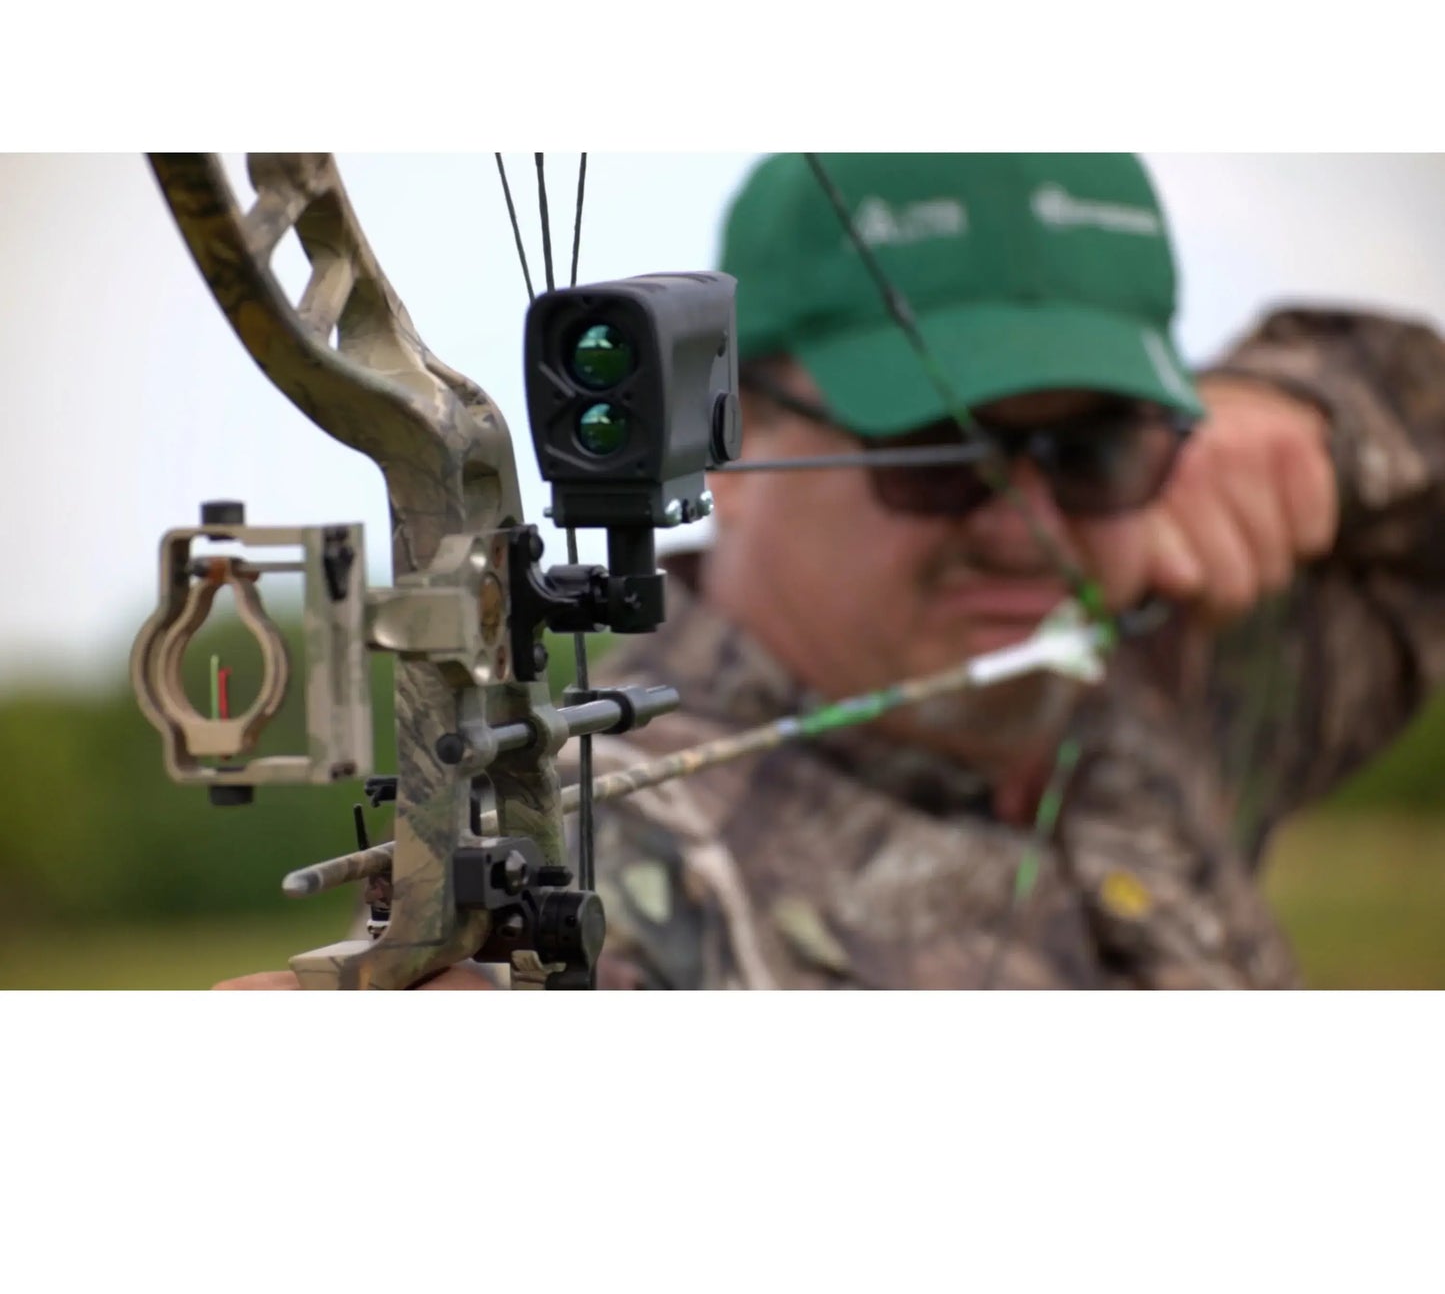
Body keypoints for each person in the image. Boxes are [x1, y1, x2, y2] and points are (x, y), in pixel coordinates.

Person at [220, 153, 1445, 990]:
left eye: (1094, 450)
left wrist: (1314, 411)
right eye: (934, 453)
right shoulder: (615, 842)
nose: (1026, 526)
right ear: (731, 428)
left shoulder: (1177, 677)